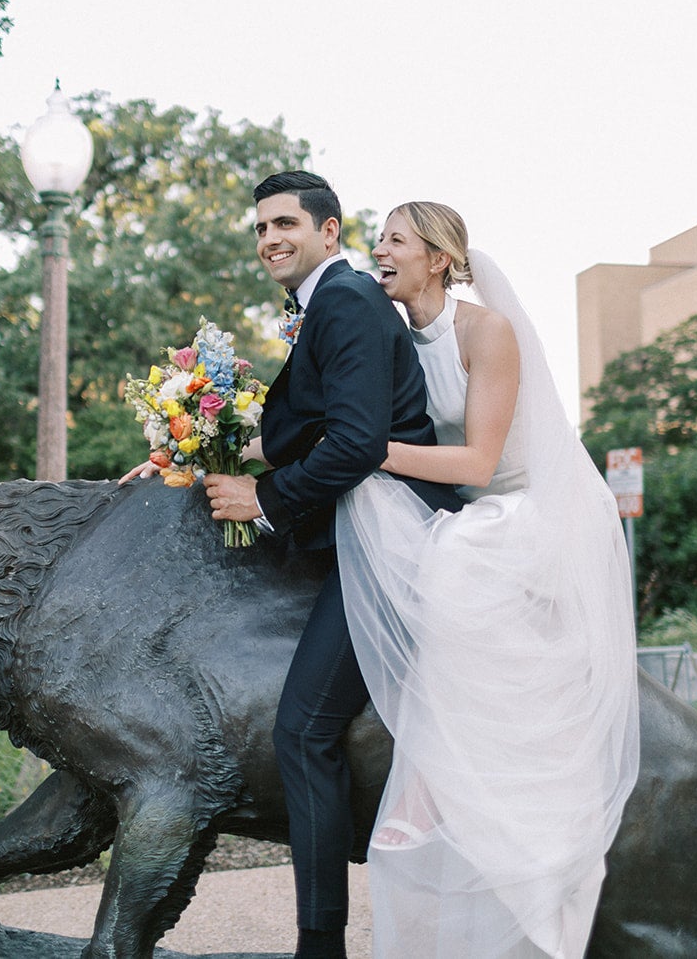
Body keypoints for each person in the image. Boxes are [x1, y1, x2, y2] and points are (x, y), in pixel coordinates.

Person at [337, 202, 641, 958]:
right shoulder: (397, 334)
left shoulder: (487, 331)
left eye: (395, 240)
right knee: (410, 530)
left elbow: (478, 463)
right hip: (470, 506)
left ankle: (433, 785)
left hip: (526, 508)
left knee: (452, 561)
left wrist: (364, 450)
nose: (379, 250)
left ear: (438, 258)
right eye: (378, 238)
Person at [202, 172, 462, 959]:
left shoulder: (345, 299)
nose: (268, 238)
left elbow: (355, 441)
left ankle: (322, 945)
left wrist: (265, 499)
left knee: (303, 730)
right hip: (362, 529)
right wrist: (183, 454)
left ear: (327, 230)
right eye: (259, 227)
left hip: (392, 541)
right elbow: (299, 426)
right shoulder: (325, 305)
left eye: (284, 222)